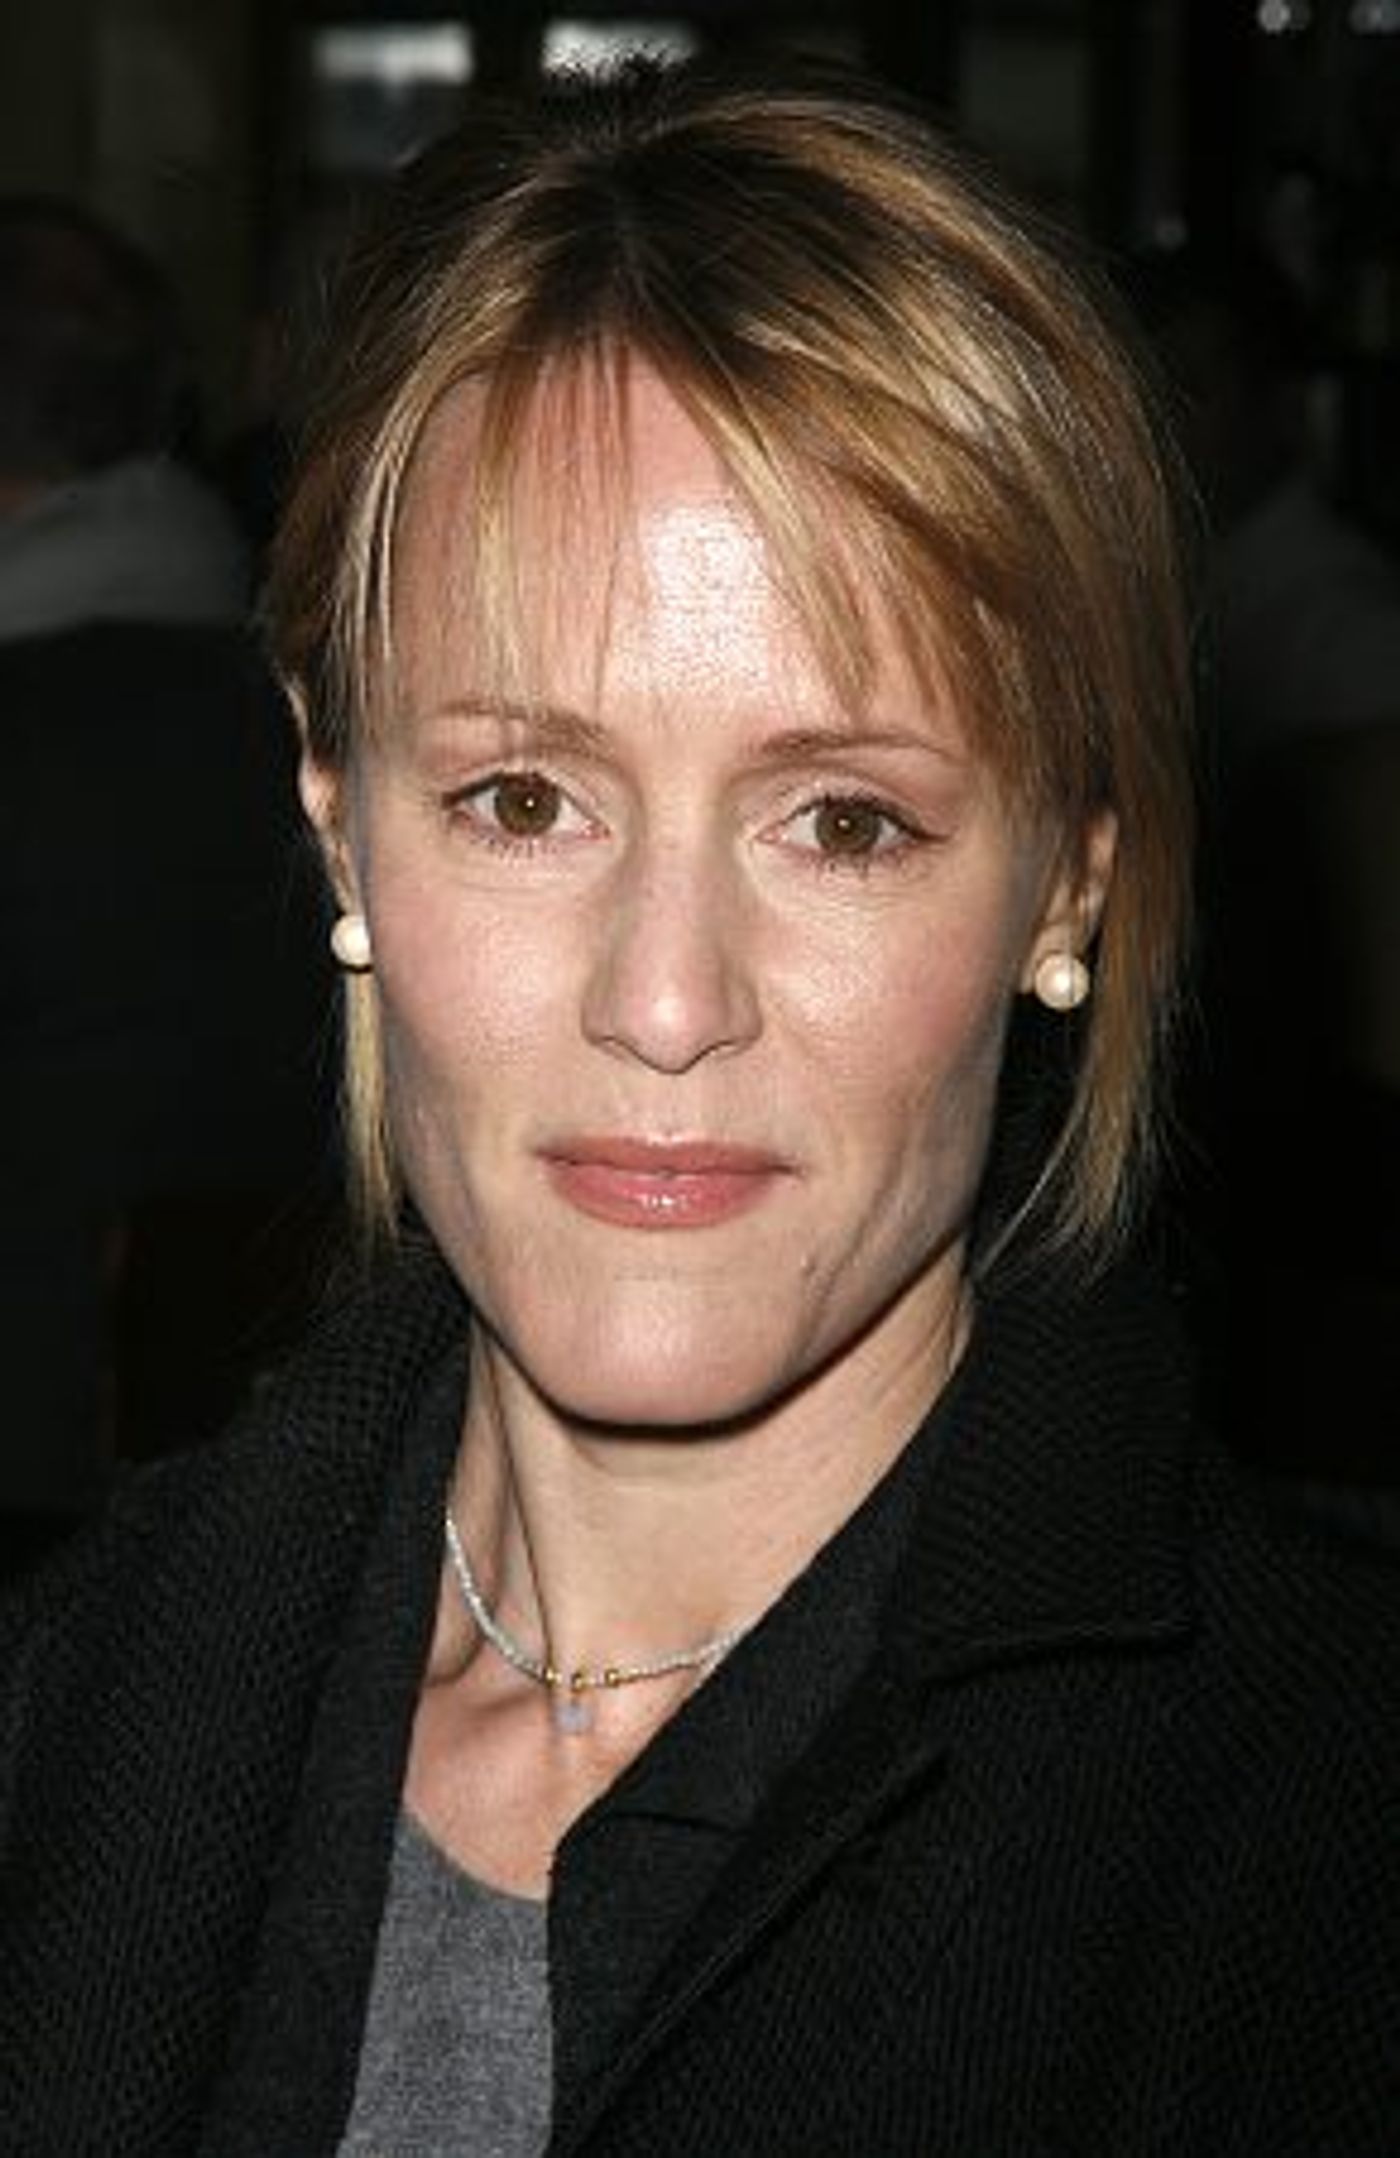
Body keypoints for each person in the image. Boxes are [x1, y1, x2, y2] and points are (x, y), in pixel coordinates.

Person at [1, 55, 1397, 2156]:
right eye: (522, 798)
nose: (664, 1003)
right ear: (338, 819)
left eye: (843, 820)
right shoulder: (78, 1707)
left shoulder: (1324, 1859)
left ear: (1069, 882)